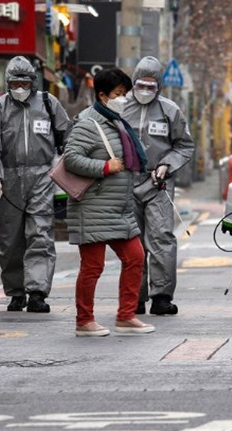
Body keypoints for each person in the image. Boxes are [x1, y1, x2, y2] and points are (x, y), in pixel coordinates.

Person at [62, 67, 153, 337]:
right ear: (102, 96)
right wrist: (104, 167)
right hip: (93, 206)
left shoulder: (117, 121)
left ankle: (126, 316)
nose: (123, 99)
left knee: (136, 257)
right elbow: (71, 158)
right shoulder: (88, 123)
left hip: (118, 207)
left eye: (124, 94)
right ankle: (84, 320)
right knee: (93, 266)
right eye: (118, 94)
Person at [0, 56, 70, 313]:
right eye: (15, 82)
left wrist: (63, 167)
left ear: (33, 82)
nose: (20, 87)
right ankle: (16, 292)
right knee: (9, 241)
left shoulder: (47, 103)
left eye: (24, 82)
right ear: (7, 83)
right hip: (8, 179)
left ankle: (37, 292)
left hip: (42, 176)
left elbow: (68, 136)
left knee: (40, 235)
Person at [121, 56, 194, 316]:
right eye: (141, 85)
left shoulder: (170, 110)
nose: (145, 91)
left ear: (159, 86)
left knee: (162, 238)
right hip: (126, 182)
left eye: (151, 87)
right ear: (133, 83)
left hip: (158, 183)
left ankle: (162, 296)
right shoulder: (119, 109)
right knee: (132, 241)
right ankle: (135, 297)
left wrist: (167, 165)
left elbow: (184, 145)